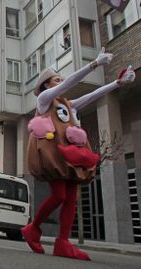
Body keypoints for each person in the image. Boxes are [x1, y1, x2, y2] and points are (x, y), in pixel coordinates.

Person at [22, 48, 135, 260]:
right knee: (59, 195)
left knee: (71, 198)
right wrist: (94, 64)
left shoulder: (68, 105)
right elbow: (70, 84)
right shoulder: (45, 99)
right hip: (55, 155)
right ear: (46, 84)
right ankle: (33, 229)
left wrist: (117, 83)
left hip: (71, 156)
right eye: (56, 79)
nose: (61, 82)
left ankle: (63, 242)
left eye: (60, 79)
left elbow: (92, 96)